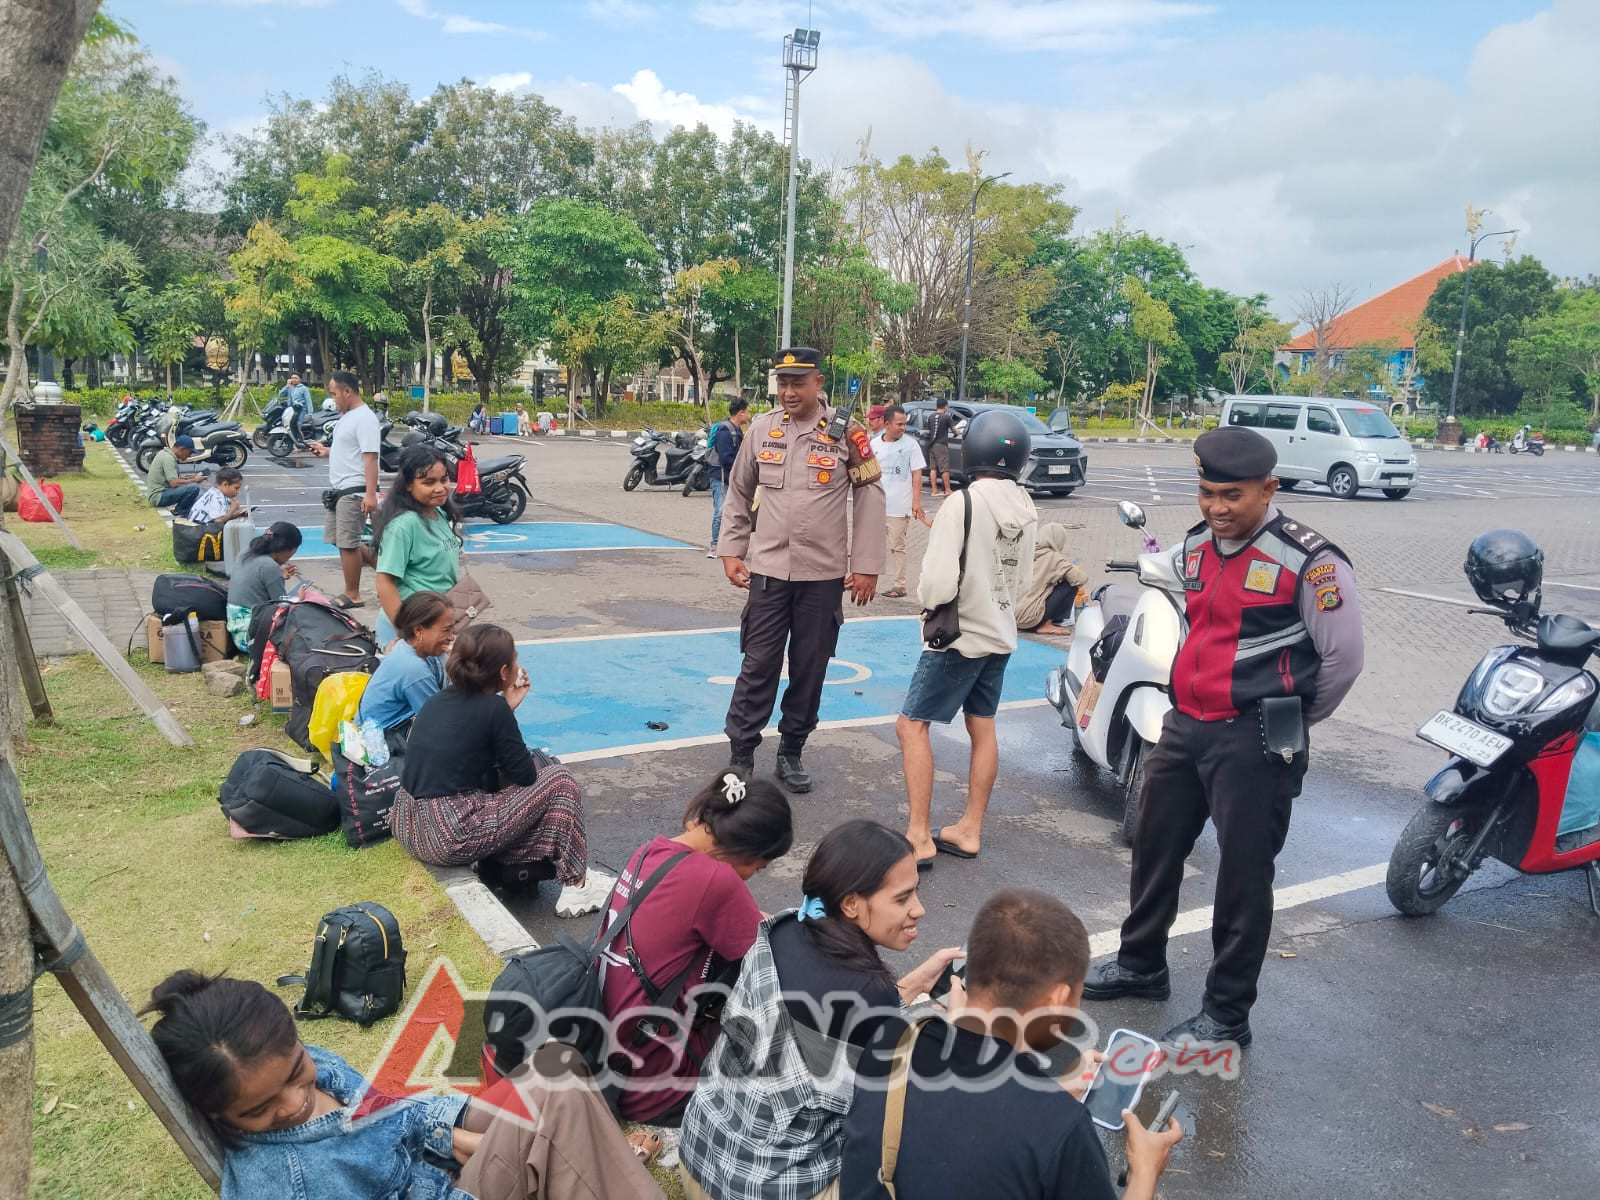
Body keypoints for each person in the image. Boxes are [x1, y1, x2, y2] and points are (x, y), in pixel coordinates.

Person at [1083, 426, 1364, 1048]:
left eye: (1231, 495)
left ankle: (1227, 1014)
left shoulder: (1311, 561)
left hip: (1254, 740)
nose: (1215, 508)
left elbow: (1343, 661)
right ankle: (1140, 964)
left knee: (1242, 877)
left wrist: (1287, 718)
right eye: (1206, 493)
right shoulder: (1199, 546)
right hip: (1185, 727)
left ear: (1270, 489)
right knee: (1154, 848)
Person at [142, 969, 666, 1200]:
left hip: (438, 1167)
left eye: (296, 1073)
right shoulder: (284, 1183)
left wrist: (454, 1137)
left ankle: (579, 1159)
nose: (295, 1102)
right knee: (560, 1117)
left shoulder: (291, 1062)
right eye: (259, 1112)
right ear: (218, 1114)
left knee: (557, 1065)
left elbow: (388, 1111)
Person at [679, 819, 962, 1200]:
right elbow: (900, 1105)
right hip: (760, 1189)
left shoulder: (785, 928)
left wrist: (917, 984)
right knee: (943, 1153)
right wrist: (964, 1032)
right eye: (902, 898)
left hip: (700, 1155)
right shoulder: (867, 990)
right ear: (850, 904)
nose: (919, 910)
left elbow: (843, 1020)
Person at [838, 889, 1183, 1200]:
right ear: (1058, 997)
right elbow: (1000, 1122)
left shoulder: (890, 1039)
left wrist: (1048, 1095)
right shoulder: (1059, 1126)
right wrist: (1145, 1170)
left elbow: (960, 1116)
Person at [718, 347, 887, 793]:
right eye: (783, 383)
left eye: (799, 382)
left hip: (822, 576)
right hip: (769, 571)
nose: (789, 391)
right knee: (759, 665)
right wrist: (731, 550)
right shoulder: (762, 429)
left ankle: (791, 751)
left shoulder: (847, 433)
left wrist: (867, 565)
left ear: (818, 382)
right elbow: (739, 490)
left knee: (810, 667)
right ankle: (741, 755)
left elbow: (870, 494)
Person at [596, 770, 795, 1127]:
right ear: (746, 848)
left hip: (608, 1058)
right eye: (759, 866)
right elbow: (775, 965)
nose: (751, 876)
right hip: (656, 1088)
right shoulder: (716, 880)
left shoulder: (649, 852)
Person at [394, 623, 614, 918]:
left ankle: (567, 868)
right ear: (502, 672)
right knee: (557, 777)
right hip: (450, 834)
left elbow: (470, 751)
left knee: (529, 778)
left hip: (410, 823)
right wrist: (504, 708)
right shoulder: (492, 710)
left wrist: (504, 706)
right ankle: (577, 884)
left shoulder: (438, 700)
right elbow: (525, 775)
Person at [898, 410, 1038, 868]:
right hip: (999, 633)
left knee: (911, 725)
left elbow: (937, 582)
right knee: (983, 727)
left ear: (973, 449)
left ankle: (919, 835)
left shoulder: (963, 502)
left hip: (956, 637)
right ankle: (969, 829)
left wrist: (926, 604)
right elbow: (1024, 580)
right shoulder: (1027, 506)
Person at [373, 443, 461, 648]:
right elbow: (385, 582)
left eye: (444, 479)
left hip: (434, 623)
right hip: (413, 629)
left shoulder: (438, 513)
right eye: (429, 482)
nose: (440, 488)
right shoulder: (404, 525)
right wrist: (405, 634)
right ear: (408, 485)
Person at [308, 369, 380, 610]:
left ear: (348, 391)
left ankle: (353, 594)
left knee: (348, 543)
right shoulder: (346, 417)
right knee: (340, 540)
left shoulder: (365, 418)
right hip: (338, 489)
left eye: (334, 393)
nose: (333, 398)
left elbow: (371, 458)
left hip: (354, 488)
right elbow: (349, 452)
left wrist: (370, 494)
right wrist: (325, 451)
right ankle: (385, 568)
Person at [358, 590, 455, 742]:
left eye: (452, 629)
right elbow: (441, 723)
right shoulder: (413, 669)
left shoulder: (406, 646)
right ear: (419, 631)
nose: (451, 637)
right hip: (379, 746)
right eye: (446, 630)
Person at [870, 404, 929, 599]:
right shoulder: (874, 444)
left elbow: (917, 475)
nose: (903, 428)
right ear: (887, 424)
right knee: (870, 545)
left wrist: (916, 501)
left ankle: (900, 585)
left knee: (897, 546)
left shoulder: (910, 445)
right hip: (875, 505)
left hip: (898, 507)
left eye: (905, 424)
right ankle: (865, 580)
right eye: (899, 424)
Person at [226, 523, 304, 653]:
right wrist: (299, 599)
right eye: (291, 553)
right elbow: (282, 607)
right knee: (309, 603)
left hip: (236, 627)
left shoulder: (248, 551)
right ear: (286, 549)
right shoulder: (269, 567)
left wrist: (278, 574)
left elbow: (255, 579)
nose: (289, 558)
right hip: (251, 638)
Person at [1015, 522, 1088, 636]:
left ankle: (1044, 621)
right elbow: (1080, 579)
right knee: (1070, 585)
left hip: (1012, 618)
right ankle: (1046, 624)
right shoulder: (1053, 557)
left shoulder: (1026, 551)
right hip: (1030, 619)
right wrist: (1070, 568)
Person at [707, 397, 751, 559]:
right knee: (720, 511)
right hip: (721, 478)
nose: (749, 415)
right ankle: (714, 546)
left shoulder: (736, 429)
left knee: (730, 511)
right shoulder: (726, 431)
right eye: (747, 412)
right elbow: (726, 459)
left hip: (729, 477)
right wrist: (741, 469)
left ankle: (727, 545)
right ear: (740, 413)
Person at [144, 435, 206, 515]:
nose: (189, 456)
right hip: (157, 497)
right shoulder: (169, 458)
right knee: (194, 488)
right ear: (182, 449)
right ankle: (179, 511)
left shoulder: (165, 453)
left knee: (197, 492)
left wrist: (189, 478)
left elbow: (172, 478)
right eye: (190, 452)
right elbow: (174, 483)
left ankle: (183, 510)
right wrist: (195, 480)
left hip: (159, 494)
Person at [926, 397, 954, 498]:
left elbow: (929, 430)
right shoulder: (946, 417)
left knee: (933, 468)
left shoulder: (931, 417)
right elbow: (954, 430)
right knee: (944, 468)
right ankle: (947, 489)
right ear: (945, 406)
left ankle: (934, 490)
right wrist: (958, 432)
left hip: (932, 445)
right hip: (941, 445)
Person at [276, 372, 312, 447]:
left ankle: (301, 445)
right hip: (291, 410)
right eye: (292, 378)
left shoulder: (304, 389)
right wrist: (287, 385)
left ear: (300, 379)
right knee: (291, 427)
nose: (294, 380)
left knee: (298, 427)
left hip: (300, 411)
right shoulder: (290, 387)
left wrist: (310, 413)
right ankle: (295, 444)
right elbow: (281, 394)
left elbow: (308, 401)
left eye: (296, 378)